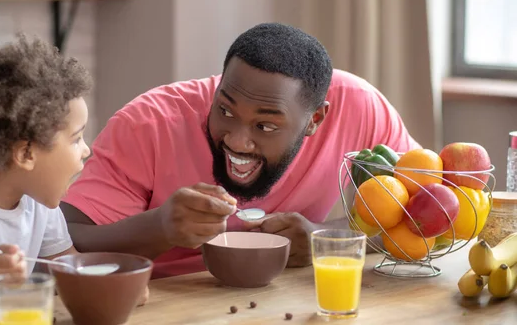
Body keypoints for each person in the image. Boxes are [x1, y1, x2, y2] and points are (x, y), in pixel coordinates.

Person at [61, 23, 420, 279]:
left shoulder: (359, 106)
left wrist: (323, 240)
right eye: (225, 111)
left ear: (315, 119)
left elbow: (424, 211)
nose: (237, 140)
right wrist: (159, 228)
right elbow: (64, 241)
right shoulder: (148, 124)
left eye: (265, 126)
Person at [0, 36, 147, 316]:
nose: (86, 150)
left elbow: (67, 267)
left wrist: (114, 287)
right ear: (26, 154)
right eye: (75, 139)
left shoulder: (37, 202)